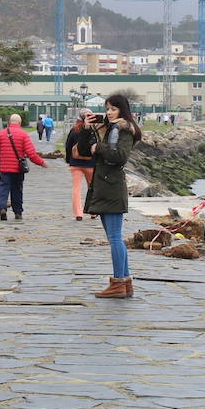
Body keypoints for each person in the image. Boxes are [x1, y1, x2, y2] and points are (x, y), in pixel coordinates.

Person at [83, 93, 143, 298]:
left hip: (112, 187)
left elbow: (119, 156)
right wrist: (86, 128)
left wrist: (99, 147)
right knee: (114, 238)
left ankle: (119, 283)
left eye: (113, 109)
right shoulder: (110, 129)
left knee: (115, 238)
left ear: (122, 110)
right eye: (107, 108)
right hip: (105, 186)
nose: (108, 113)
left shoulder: (123, 130)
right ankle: (124, 282)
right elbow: (84, 150)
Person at [0, 114, 47, 221]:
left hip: (5, 169)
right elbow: (31, 153)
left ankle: (2, 208)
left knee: (3, 189)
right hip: (18, 169)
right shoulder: (24, 135)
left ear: (9, 122)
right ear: (20, 123)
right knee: (17, 190)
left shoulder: (1, 134)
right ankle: (18, 212)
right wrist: (41, 162)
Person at [62, 109, 96, 221]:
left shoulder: (74, 130)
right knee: (92, 188)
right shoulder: (93, 130)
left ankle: (78, 213)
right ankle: (93, 211)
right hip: (90, 163)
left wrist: (68, 160)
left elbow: (68, 146)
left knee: (76, 189)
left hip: (76, 163)